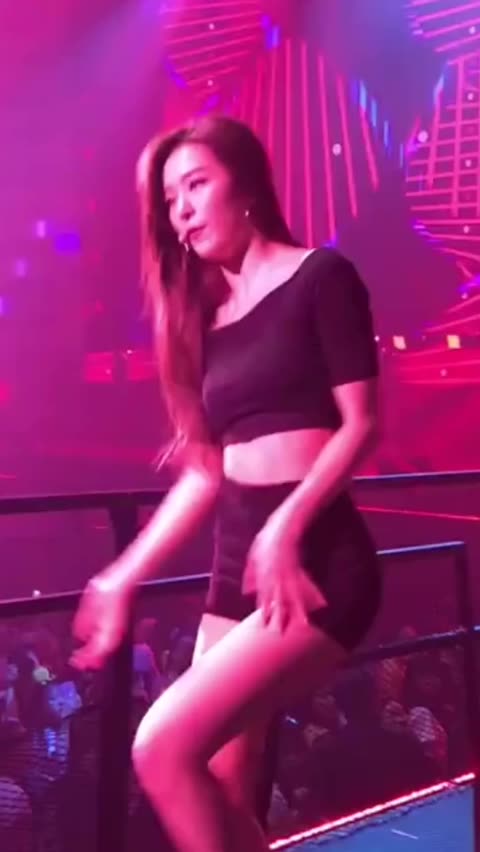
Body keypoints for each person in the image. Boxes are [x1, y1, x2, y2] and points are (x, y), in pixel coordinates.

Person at [71, 114, 382, 852]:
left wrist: (287, 525)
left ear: (246, 186)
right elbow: (204, 471)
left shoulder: (321, 277)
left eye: (196, 184)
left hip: (313, 561)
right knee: (222, 791)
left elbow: (363, 425)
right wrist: (121, 577)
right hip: (234, 566)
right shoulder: (201, 321)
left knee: (161, 748)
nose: (180, 209)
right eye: (169, 198)